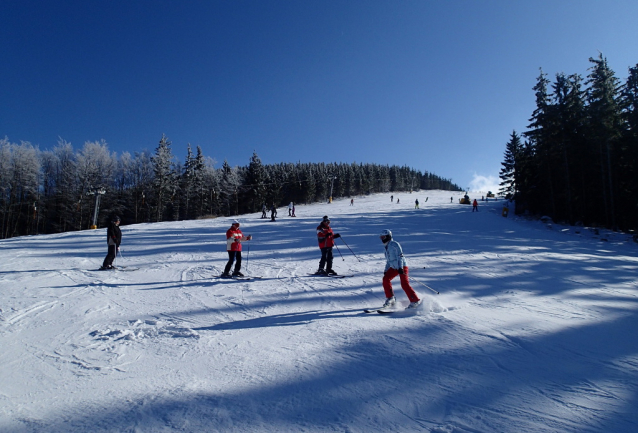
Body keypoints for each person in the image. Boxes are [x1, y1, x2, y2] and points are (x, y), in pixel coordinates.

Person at [379, 229, 421, 309]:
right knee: (385, 279)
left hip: (402, 266)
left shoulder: (394, 244)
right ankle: (390, 298)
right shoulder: (386, 248)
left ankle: (415, 301)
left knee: (404, 284)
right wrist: (386, 270)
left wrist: (400, 267)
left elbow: (400, 256)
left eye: (383, 237)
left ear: (388, 236)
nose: (382, 239)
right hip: (393, 267)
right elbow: (389, 261)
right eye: (381, 237)